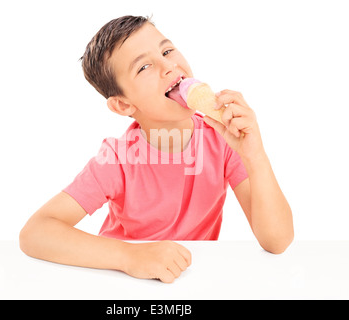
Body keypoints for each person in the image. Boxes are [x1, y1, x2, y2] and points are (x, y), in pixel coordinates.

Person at [19, 15, 294, 283]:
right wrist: (130, 256)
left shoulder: (222, 140)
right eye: (143, 67)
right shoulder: (117, 160)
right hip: (120, 281)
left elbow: (277, 241)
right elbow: (35, 232)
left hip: (187, 279)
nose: (168, 65)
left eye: (167, 50)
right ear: (124, 105)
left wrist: (254, 153)